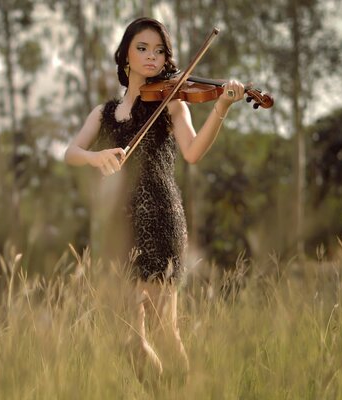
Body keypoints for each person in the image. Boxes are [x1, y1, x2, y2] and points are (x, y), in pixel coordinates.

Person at [64, 17, 245, 378]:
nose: (151, 57)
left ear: (166, 59)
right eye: (142, 48)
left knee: (165, 331)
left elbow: (193, 152)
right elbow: (71, 152)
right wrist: (95, 157)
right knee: (127, 337)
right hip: (118, 228)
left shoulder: (173, 104)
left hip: (161, 220)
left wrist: (221, 108)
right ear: (125, 57)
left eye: (159, 51)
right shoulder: (103, 113)